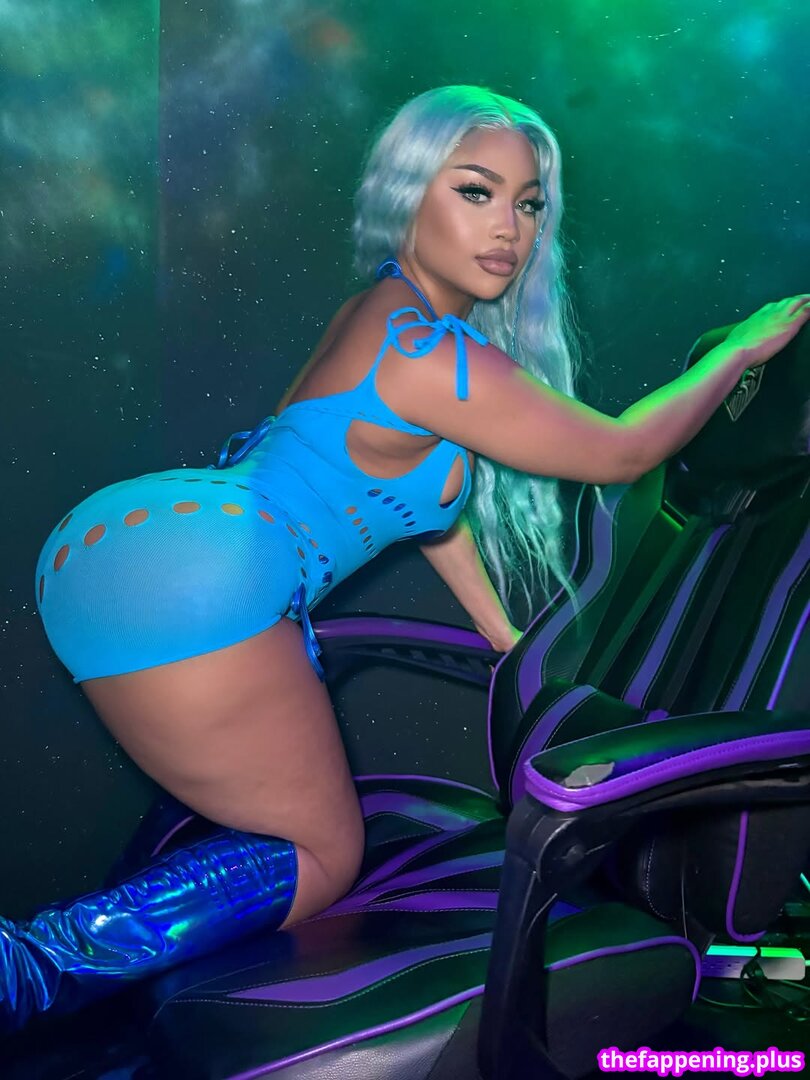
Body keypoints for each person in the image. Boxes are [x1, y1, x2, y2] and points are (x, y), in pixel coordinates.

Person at [4, 84, 809, 1035]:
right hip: (215, 570)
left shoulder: (383, 311)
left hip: (128, 541)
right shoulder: (431, 354)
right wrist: (738, 352)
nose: (509, 227)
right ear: (408, 192)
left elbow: (426, 513)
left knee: (255, 821)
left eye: (529, 203)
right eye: (475, 191)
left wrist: (503, 635)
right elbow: (624, 451)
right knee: (323, 856)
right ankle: (25, 972)